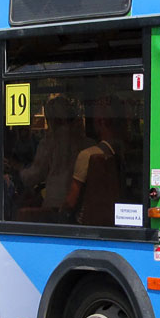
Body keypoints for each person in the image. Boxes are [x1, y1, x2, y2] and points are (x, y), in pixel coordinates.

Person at [18, 94, 91, 218]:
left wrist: (20, 171)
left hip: (55, 207)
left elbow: (34, 176)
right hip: (80, 208)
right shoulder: (87, 143)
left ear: (53, 120)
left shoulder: (49, 142)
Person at [63, 97, 126, 226]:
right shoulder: (125, 153)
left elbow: (71, 201)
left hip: (84, 225)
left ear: (100, 122)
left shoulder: (87, 155)